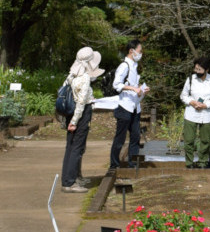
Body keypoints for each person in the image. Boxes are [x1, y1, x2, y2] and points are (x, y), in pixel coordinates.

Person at [62, 47, 103, 192]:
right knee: (77, 148)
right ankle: (70, 182)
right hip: (80, 115)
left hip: (70, 114)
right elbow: (80, 102)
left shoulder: (71, 75)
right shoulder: (84, 77)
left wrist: (71, 120)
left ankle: (68, 178)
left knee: (70, 147)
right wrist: (75, 121)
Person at [109, 38, 149, 170]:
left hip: (135, 107)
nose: (141, 53)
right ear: (132, 51)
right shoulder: (124, 66)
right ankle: (114, 165)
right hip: (124, 107)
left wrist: (141, 90)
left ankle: (132, 163)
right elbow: (116, 85)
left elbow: (133, 85)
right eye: (139, 50)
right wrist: (133, 88)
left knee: (135, 136)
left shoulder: (135, 66)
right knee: (120, 138)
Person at [180, 56, 210, 168]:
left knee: (205, 140)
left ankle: (202, 162)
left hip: (206, 114)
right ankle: (189, 163)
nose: (197, 72)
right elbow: (183, 95)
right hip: (191, 113)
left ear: (207, 70)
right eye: (196, 69)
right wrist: (192, 102)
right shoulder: (191, 79)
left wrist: (205, 105)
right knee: (189, 140)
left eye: (200, 70)